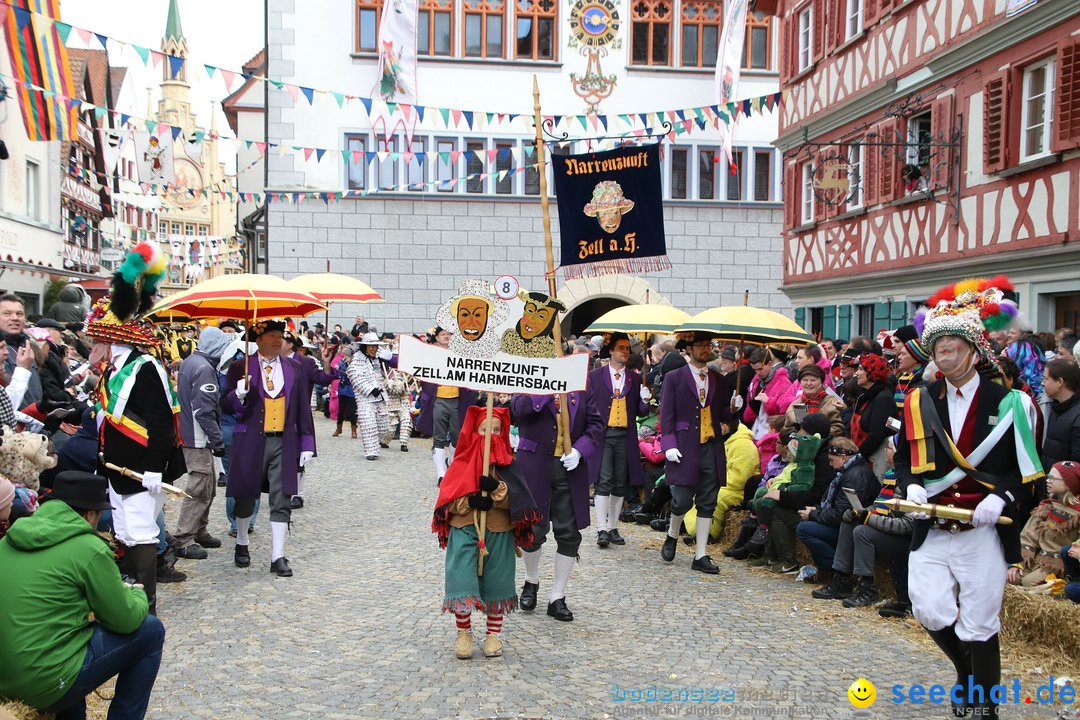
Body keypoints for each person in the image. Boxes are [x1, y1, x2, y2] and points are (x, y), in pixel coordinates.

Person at [898, 277, 1044, 719]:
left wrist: (1000, 497)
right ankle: (965, 672)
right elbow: (905, 460)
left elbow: (1029, 474)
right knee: (929, 608)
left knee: (980, 620)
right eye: (939, 344)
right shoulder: (920, 400)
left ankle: (985, 704)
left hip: (983, 530)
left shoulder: (1012, 403)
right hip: (935, 524)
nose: (945, 351)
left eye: (954, 344)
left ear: (975, 352)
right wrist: (911, 486)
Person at [0, 471, 165, 719]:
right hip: (47, 684)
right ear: (90, 514)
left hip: (5, 682)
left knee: (67, 639)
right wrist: (137, 596)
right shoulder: (88, 548)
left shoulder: (8, 540)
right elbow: (125, 619)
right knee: (151, 630)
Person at [88, 243, 184, 615]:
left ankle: (145, 609)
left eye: (100, 337)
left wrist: (155, 471)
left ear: (117, 338)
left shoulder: (145, 369)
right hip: (118, 470)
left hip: (142, 470)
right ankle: (131, 602)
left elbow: (163, 426)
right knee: (127, 533)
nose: (95, 344)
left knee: (142, 533)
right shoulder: (114, 371)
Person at [433, 406, 539, 659]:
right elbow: (446, 502)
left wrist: (498, 491)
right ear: (473, 432)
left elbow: (522, 501)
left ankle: (493, 634)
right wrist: (468, 502)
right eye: (484, 430)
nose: (490, 437)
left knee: (498, 581)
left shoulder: (509, 465)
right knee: (460, 577)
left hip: (499, 529)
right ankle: (464, 632)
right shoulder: (461, 463)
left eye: (496, 431)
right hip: (465, 528)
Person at [224, 320, 317, 577]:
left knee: (282, 495)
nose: (278, 340)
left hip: (283, 441)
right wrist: (237, 395)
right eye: (273, 336)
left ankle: (278, 555)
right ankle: (242, 542)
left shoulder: (295, 368)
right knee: (245, 494)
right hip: (250, 440)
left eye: (280, 336)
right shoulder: (239, 368)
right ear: (258, 340)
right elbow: (225, 405)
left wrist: (307, 443)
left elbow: (301, 408)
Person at [512, 389, 604, 621]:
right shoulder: (531, 380)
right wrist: (546, 391)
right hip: (534, 466)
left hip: (569, 469)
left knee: (569, 534)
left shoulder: (581, 387)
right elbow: (519, 410)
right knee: (533, 529)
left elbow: (595, 425)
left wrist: (580, 451)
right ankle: (531, 581)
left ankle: (557, 596)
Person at [658, 331, 732, 573]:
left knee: (708, 500)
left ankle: (700, 554)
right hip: (684, 445)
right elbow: (666, 416)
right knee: (680, 501)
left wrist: (732, 415)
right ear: (688, 349)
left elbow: (726, 418)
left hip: (710, 446)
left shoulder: (719, 380)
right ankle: (671, 534)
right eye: (700, 345)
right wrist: (668, 445)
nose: (705, 349)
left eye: (707, 345)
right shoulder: (674, 378)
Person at [587, 332, 650, 548]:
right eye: (621, 348)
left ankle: (613, 526)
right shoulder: (596, 376)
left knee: (620, 482)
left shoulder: (634, 378)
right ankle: (601, 528)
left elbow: (641, 412)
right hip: (604, 435)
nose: (625, 352)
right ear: (611, 351)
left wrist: (645, 399)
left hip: (626, 435)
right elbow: (590, 405)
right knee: (603, 479)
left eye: (627, 348)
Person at [173, 326, 230, 560]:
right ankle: (184, 538)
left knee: (208, 486)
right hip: (197, 438)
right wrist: (217, 440)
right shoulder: (205, 369)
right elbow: (204, 411)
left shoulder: (191, 362)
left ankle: (199, 529)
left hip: (192, 434)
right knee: (198, 489)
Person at [794, 437, 880, 578]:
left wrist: (813, 514)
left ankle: (839, 570)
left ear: (843, 458)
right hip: (846, 523)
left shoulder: (853, 477)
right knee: (805, 524)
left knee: (804, 529)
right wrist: (816, 511)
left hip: (851, 527)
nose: (830, 464)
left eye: (832, 460)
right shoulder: (849, 472)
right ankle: (829, 569)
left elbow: (839, 515)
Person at [417, 327, 477, 483]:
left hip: (458, 400)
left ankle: (451, 464)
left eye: (449, 334)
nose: (446, 337)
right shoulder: (429, 353)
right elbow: (411, 361)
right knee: (438, 437)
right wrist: (390, 358)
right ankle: (441, 474)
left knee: (458, 437)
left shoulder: (462, 353)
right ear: (436, 337)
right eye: (443, 334)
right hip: (437, 400)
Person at [1012, 461, 1080, 587]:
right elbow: (1028, 535)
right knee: (1012, 577)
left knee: (1028, 582)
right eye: (1048, 477)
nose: (1048, 481)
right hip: (1037, 560)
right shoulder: (1047, 506)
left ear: (1068, 483)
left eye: (1053, 478)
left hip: (1058, 566)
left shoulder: (1077, 514)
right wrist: (1018, 561)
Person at [347, 332, 394, 461]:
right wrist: (369, 389)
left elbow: (391, 359)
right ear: (365, 347)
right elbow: (353, 375)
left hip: (380, 398)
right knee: (369, 425)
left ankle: (381, 441)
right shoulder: (357, 360)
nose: (374, 349)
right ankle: (371, 452)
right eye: (371, 346)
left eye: (376, 346)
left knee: (385, 427)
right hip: (365, 399)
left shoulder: (378, 359)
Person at [849, 353, 897, 477]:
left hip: (879, 459)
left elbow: (877, 434)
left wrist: (858, 456)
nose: (856, 374)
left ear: (872, 373)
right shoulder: (867, 396)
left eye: (860, 369)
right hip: (867, 456)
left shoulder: (883, 399)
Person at [0, 293, 43, 409]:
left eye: (19, 314)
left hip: (35, 421)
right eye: (7, 313)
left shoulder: (30, 347)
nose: (15, 318)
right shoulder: (2, 352)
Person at [780, 364, 845, 440]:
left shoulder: (833, 402)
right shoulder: (797, 404)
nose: (808, 383)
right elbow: (787, 429)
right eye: (805, 380)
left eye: (813, 380)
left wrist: (814, 436)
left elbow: (838, 429)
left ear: (821, 382)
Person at [1042, 358, 1080, 469]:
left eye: (1045, 379)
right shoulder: (1056, 408)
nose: (1042, 383)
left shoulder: (1077, 416)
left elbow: (1076, 462)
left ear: (1059, 382)